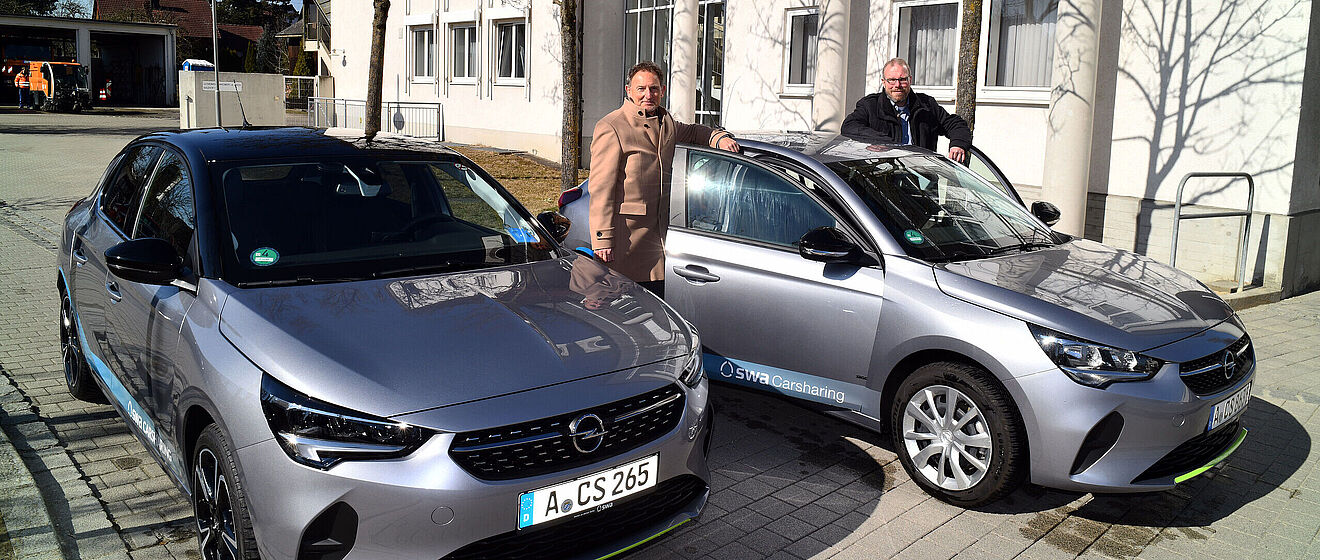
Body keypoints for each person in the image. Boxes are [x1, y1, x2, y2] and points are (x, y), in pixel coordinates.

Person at [588, 61, 739, 297]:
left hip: (661, 241)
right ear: (628, 90)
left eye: (654, 89)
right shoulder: (612, 126)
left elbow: (694, 132)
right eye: (641, 89)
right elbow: (600, 189)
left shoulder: (665, 122)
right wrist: (602, 239)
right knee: (626, 313)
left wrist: (718, 137)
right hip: (628, 241)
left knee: (656, 314)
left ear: (662, 91)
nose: (648, 95)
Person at [841, 58, 972, 163]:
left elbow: (955, 124)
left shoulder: (927, 105)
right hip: (882, 181)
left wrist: (958, 144)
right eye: (892, 80)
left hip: (922, 179)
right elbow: (849, 126)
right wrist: (880, 141)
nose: (897, 85)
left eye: (902, 79)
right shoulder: (870, 105)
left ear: (910, 80)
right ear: (884, 82)